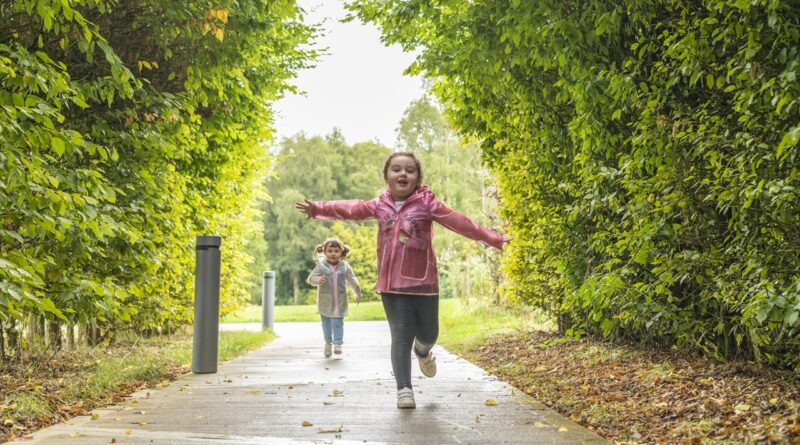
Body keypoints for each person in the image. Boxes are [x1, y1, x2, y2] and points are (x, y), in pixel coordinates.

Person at [296, 152, 509, 409]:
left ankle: (423, 351)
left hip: (423, 282)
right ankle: (404, 389)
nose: (403, 174)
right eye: (396, 169)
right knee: (400, 335)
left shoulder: (427, 204)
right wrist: (319, 208)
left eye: (409, 170)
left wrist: (493, 238)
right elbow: (350, 208)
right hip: (391, 284)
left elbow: (460, 223)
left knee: (429, 334)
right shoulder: (379, 205)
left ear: (418, 177)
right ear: (386, 176)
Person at [306, 237, 362, 358]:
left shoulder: (345, 266)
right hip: (325, 301)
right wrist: (317, 279)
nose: (333, 254)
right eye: (330, 251)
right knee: (326, 324)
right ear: (325, 252)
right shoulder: (321, 266)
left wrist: (357, 292)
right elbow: (310, 278)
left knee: (338, 322)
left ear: (341, 252)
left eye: (336, 251)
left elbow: (352, 280)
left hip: (339, 301)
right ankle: (327, 343)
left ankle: (337, 344)